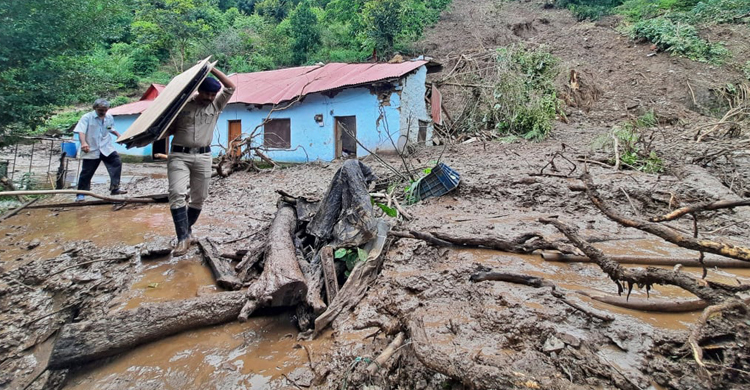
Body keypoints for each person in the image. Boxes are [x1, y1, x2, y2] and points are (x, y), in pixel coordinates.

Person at [167, 67, 236, 256]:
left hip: (204, 157)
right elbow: (167, 128)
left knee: (199, 197)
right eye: (206, 93)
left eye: (213, 94)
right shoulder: (181, 105)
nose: (209, 97)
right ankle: (182, 238)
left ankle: (186, 231)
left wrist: (211, 69)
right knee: (177, 193)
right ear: (198, 91)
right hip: (179, 156)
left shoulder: (216, 105)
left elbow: (231, 87)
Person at [74, 98, 127, 202]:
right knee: (87, 171)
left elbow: (108, 128)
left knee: (116, 162)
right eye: (100, 110)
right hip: (91, 148)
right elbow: (81, 131)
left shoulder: (108, 117)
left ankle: (115, 188)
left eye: (105, 110)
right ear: (95, 108)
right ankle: (81, 194)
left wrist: (117, 135)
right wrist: (84, 143)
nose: (103, 112)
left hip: (106, 146)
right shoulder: (87, 118)